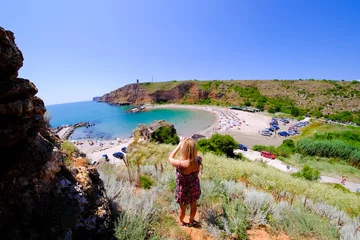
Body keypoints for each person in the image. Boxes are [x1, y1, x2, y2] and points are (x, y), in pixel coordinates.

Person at [168, 137, 202, 227]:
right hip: (194, 186)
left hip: (183, 190)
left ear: (184, 150)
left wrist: (179, 145)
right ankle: (191, 221)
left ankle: (181, 222)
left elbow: (170, 158)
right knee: (193, 204)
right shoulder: (199, 160)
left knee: (183, 208)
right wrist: (191, 145)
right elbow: (196, 154)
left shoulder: (181, 164)